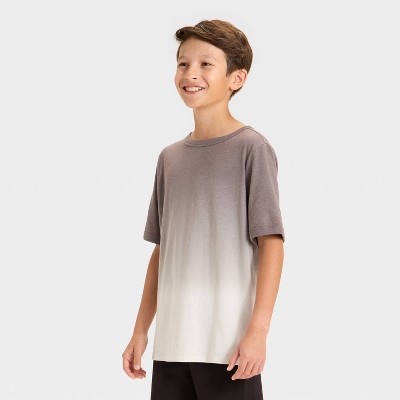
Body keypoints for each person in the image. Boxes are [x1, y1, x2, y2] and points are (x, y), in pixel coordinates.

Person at [122, 19, 286, 400]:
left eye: (205, 64)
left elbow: (272, 244)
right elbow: (162, 251)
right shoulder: (169, 159)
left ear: (236, 78)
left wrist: (258, 331)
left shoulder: (252, 149)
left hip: (228, 348)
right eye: (183, 63)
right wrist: (141, 330)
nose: (190, 74)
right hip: (171, 347)